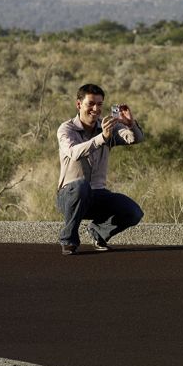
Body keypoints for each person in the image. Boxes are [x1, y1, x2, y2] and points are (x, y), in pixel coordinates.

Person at [55, 83, 145, 255]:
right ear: (79, 104)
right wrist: (102, 138)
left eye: (99, 104)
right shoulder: (67, 129)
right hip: (68, 195)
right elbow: (74, 153)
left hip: (97, 195)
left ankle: (98, 232)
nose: (95, 109)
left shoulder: (108, 127)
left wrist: (130, 124)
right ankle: (69, 240)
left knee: (133, 212)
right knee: (81, 186)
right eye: (91, 103)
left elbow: (136, 139)